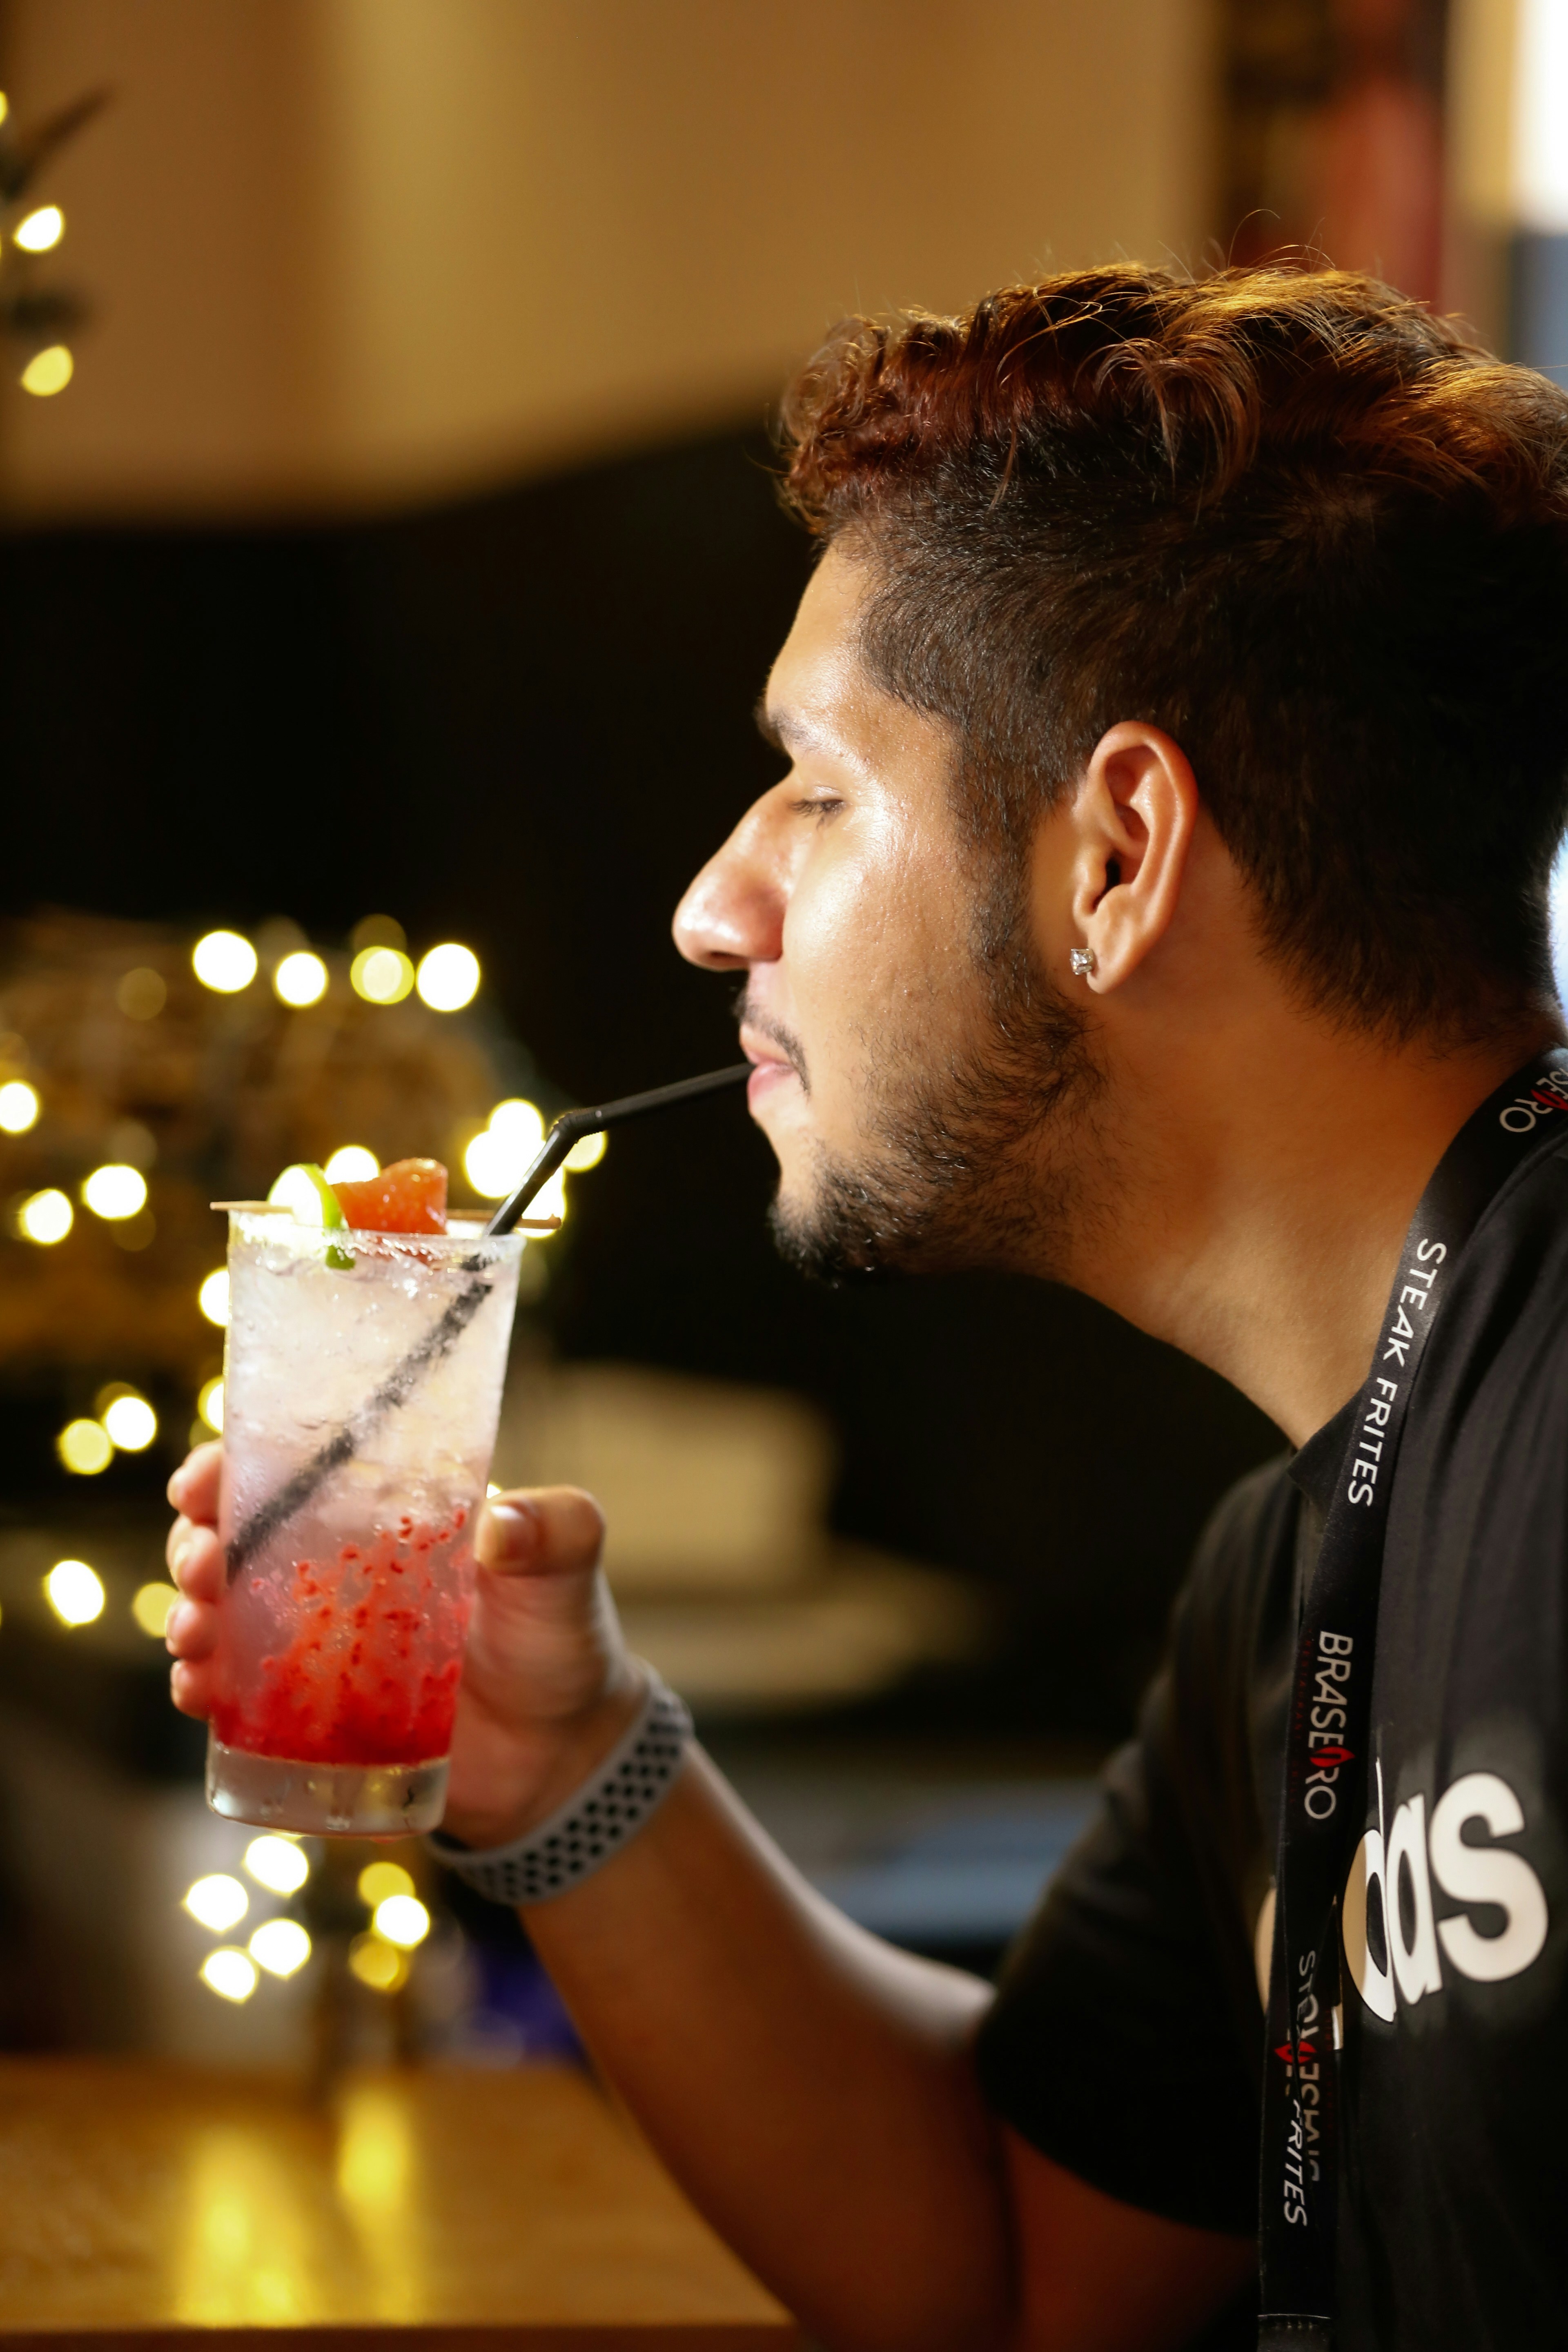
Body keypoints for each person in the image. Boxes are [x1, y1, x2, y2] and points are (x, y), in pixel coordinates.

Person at [163, 265, 1568, 2352]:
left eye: (817, 787)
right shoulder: (1292, 1578)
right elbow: (1015, 2264)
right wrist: (567, 1769)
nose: (713, 904)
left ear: (1117, 859)